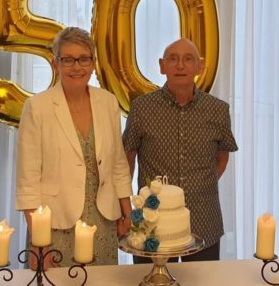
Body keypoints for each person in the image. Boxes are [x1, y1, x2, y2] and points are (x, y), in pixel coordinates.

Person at [16, 27, 133, 269]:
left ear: (93, 64)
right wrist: (40, 242)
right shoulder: (37, 107)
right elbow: (28, 180)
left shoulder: (108, 102)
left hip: (102, 223)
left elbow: (119, 164)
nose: (76, 67)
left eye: (83, 59)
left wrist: (127, 213)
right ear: (55, 63)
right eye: (67, 59)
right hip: (55, 225)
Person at [123, 38, 238, 263]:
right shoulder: (141, 108)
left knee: (201, 281)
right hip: (151, 222)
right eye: (173, 59)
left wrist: (200, 186)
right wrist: (126, 209)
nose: (180, 65)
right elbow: (127, 158)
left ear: (199, 66)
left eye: (188, 59)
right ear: (161, 66)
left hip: (204, 218)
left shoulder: (218, 110)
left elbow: (222, 158)